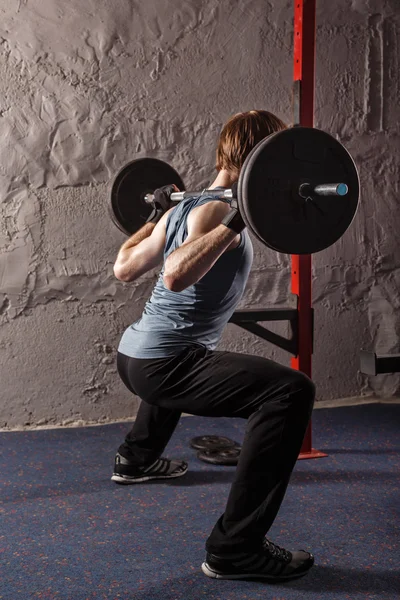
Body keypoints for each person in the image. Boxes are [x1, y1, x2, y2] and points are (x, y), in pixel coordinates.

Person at [112, 110, 316, 582]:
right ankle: (237, 548)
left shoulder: (184, 206)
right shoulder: (220, 208)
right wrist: (238, 221)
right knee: (290, 392)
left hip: (137, 355)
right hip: (163, 363)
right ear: (261, 157)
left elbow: (123, 267)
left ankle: (137, 459)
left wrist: (153, 219)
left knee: (195, 358)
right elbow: (175, 275)